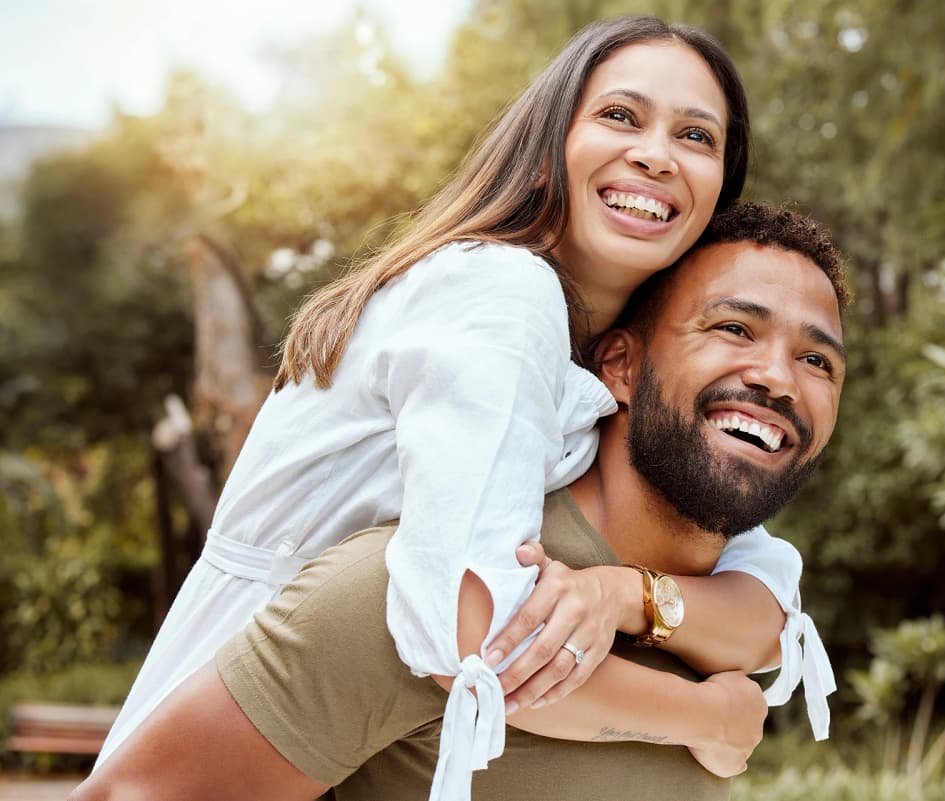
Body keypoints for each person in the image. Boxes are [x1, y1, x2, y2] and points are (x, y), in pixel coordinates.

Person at [95, 16, 824, 799]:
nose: (655, 153)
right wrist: (701, 715)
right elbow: (474, 640)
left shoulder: (611, 355)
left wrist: (622, 595)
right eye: (620, 115)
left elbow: (765, 590)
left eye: (697, 136)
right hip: (249, 717)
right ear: (551, 139)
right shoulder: (502, 297)